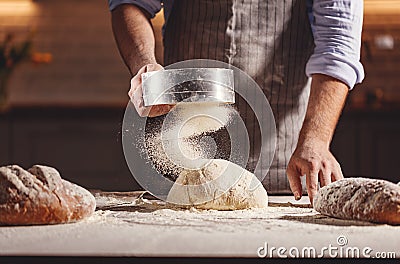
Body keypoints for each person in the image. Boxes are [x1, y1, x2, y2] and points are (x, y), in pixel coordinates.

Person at [108, 0, 364, 204]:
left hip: (280, 157)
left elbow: (337, 46)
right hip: (183, 151)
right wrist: (145, 65)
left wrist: (315, 140)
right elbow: (131, 4)